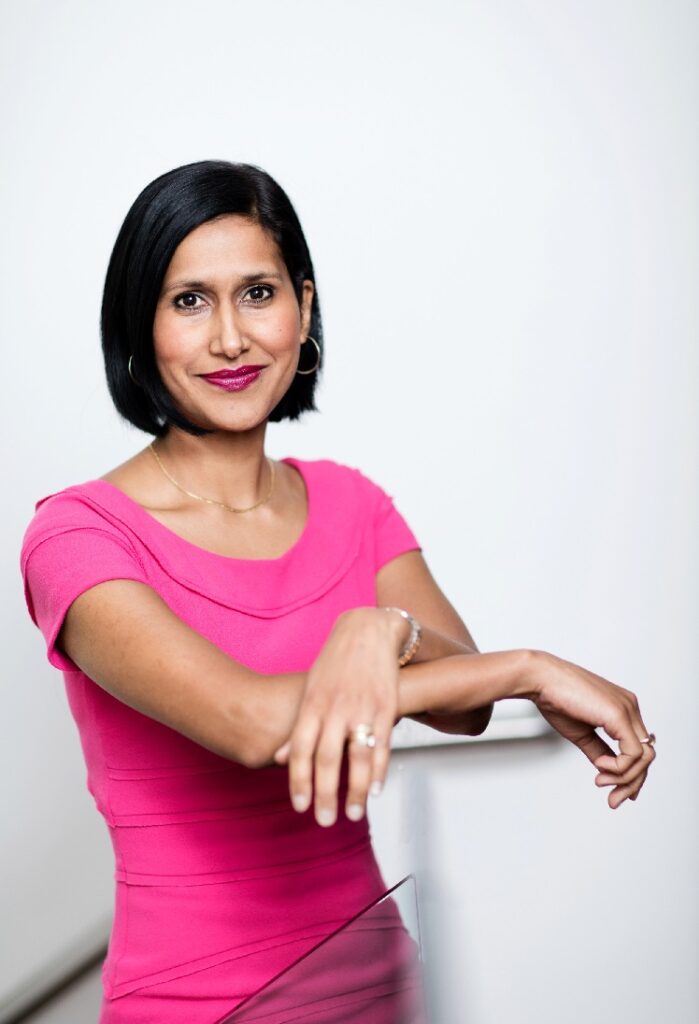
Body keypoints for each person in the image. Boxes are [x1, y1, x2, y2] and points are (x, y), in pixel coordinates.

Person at [19, 160, 656, 1023]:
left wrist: (382, 629)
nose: (231, 339)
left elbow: (461, 705)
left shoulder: (351, 504)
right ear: (140, 324)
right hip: (198, 1005)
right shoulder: (77, 536)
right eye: (189, 301)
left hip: (379, 985)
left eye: (257, 293)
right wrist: (528, 668)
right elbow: (251, 725)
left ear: (303, 307)